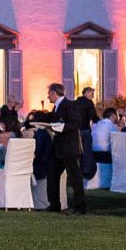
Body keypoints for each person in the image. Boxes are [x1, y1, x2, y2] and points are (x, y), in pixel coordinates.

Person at [45, 83, 98, 215]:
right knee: (52, 174)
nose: (47, 97)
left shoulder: (69, 105)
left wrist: (59, 128)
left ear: (54, 94)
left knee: (75, 177)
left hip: (69, 147)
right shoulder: (56, 108)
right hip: (59, 148)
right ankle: (54, 204)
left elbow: (75, 123)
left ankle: (80, 207)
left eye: (49, 94)